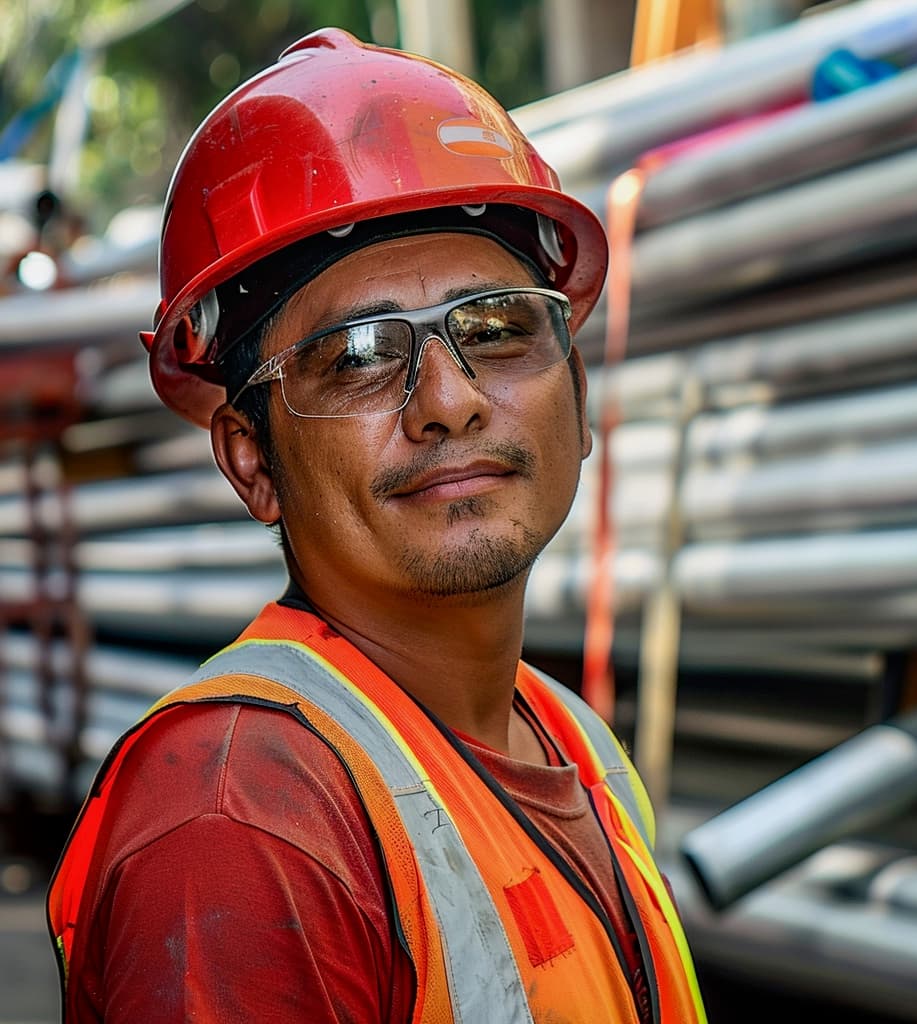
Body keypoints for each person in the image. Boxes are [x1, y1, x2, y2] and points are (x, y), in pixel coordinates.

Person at [47, 28, 706, 1024]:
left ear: (577, 392)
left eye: (494, 327)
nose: (447, 401)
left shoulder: (564, 733)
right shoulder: (243, 820)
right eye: (355, 355)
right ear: (251, 460)